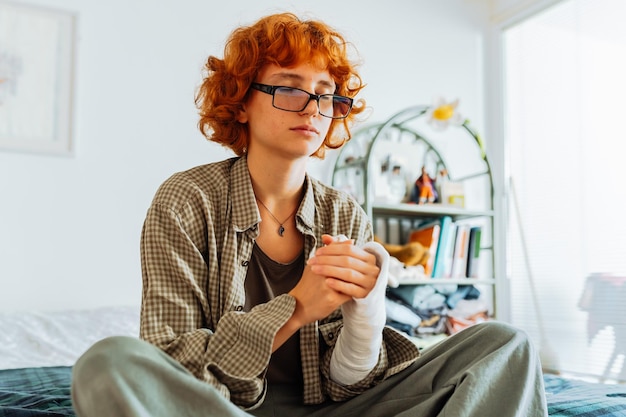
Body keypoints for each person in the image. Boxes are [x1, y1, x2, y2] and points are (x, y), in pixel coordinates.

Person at [71, 12, 548, 417]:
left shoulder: (343, 212)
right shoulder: (185, 199)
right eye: (289, 88)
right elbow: (172, 361)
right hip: (222, 407)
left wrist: (365, 315)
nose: (314, 108)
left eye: (325, 93)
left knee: (504, 344)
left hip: (333, 409)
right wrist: (298, 307)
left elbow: (347, 384)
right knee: (108, 363)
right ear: (240, 103)